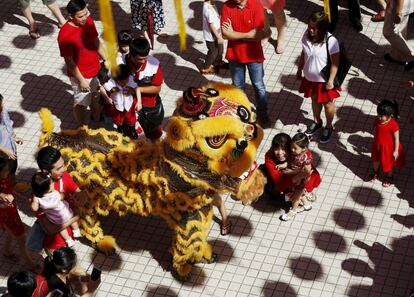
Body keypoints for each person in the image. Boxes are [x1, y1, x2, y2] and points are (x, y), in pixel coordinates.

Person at [221, 0, 272, 128]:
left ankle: (262, 113)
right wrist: (248, 35)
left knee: (258, 85)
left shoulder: (256, 5)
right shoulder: (227, 6)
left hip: (254, 55)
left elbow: (259, 34)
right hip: (235, 56)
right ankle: (242, 112)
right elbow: (225, 34)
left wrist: (234, 34)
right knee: (238, 86)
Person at [58, 0, 106, 127]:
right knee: (80, 103)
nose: (85, 18)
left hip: (96, 69)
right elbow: (69, 62)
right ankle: (82, 127)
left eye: (86, 13)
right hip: (81, 75)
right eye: (80, 16)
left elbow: (96, 41)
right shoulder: (65, 35)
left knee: (96, 96)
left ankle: (96, 118)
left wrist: (106, 59)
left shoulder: (89, 21)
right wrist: (81, 80)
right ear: (71, 16)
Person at [297, 11, 341, 143]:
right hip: (310, 79)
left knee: (328, 105)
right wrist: (300, 69)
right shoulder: (305, 36)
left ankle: (329, 126)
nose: (310, 30)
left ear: (322, 28)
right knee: (315, 101)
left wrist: (331, 81)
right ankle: (317, 122)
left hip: (325, 82)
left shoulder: (331, 41)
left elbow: (335, 63)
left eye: (314, 28)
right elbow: (304, 54)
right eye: (309, 26)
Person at [34, 146, 85, 255]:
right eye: (58, 168)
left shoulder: (64, 176)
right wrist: (75, 217)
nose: (63, 170)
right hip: (55, 247)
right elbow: (50, 230)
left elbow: (79, 193)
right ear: (46, 171)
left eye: (63, 165)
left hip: (70, 238)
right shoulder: (39, 195)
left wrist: (81, 197)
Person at [263, 133, 320, 211]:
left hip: (295, 182)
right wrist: (298, 176)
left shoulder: (298, 154)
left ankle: (301, 199)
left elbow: (309, 172)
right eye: (276, 149)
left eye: (283, 149)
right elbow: (278, 180)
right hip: (284, 183)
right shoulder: (269, 156)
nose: (280, 153)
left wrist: (298, 175)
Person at [122, 37, 164, 140]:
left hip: (148, 108)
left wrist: (137, 90)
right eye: (140, 59)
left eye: (145, 58)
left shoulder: (154, 64)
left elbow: (157, 88)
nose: (144, 61)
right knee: (130, 137)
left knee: (154, 136)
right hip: (126, 108)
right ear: (131, 55)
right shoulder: (119, 63)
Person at [0, 158, 37, 270]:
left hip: (12, 212)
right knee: (21, 238)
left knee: (11, 233)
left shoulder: (4, 178)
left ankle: (6, 251)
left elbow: (10, 189)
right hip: (6, 216)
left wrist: (20, 197)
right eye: (5, 170)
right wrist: (5, 202)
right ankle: (30, 264)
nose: (8, 172)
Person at [31, 172, 81, 247]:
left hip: (55, 219)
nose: (53, 184)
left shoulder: (38, 198)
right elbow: (62, 197)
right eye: (52, 183)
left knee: (62, 229)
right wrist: (63, 193)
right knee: (73, 218)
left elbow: (34, 208)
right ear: (48, 189)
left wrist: (34, 199)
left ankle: (68, 240)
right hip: (65, 213)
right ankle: (76, 230)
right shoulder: (55, 193)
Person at [369, 100, 405, 187]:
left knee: (389, 164)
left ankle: (390, 176)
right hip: (378, 145)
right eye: (378, 114)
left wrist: (396, 151)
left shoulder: (393, 124)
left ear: (389, 116)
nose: (379, 117)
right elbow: (376, 130)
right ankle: (375, 172)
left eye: (382, 116)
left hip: (388, 148)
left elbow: (396, 139)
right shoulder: (377, 119)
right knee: (375, 159)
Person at [102, 64, 142, 139]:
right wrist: (109, 94)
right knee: (118, 119)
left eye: (125, 80)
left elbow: (137, 88)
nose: (124, 83)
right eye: (121, 81)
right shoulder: (112, 82)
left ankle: (132, 129)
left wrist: (139, 102)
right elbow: (103, 87)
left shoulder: (130, 79)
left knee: (131, 119)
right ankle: (121, 128)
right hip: (117, 106)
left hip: (129, 105)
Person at [383, 0, 414, 71]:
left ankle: (412, 56)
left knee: (389, 32)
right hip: (408, 5)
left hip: (397, 6)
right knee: (400, 29)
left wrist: (397, 13)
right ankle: (397, 56)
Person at [0, 94, 23, 182]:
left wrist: (14, 137)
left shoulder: (3, 111)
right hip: (2, 155)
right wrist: (4, 150)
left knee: (12, 168)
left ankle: (13, 185)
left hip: (11, 148)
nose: (2, 106)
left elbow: (8, 126)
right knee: (4, 173)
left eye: (1, 103)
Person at [201, 0, 225, 74]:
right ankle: (206, 67)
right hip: (211, 36)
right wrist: (218, 37)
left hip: (217, 33)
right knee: (213, 52)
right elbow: (210, 24)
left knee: (220, 49)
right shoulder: (208, 9)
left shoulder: (211, 4)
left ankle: (217, 61)